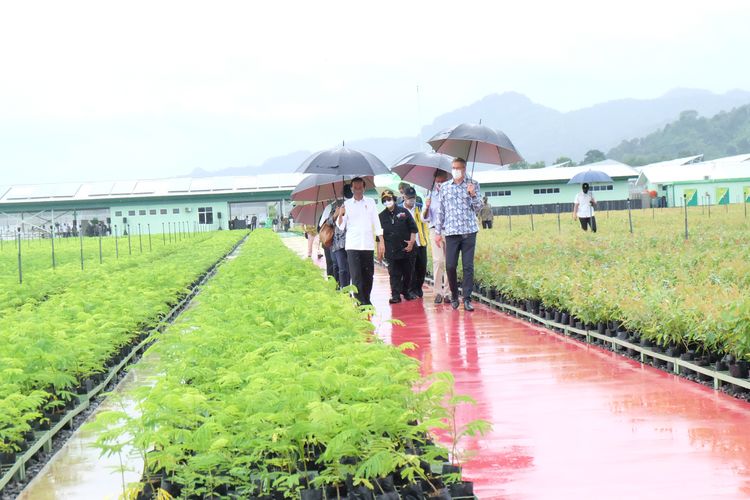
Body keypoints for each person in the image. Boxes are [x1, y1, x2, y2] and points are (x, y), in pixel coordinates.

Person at [434, 157, 482, 312]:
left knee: (468, 266)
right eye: (453, 167)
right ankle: (454, 294)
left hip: (469, 231)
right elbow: (441, 211)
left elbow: (479, 208)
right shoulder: (445, 187)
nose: (455, 170)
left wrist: (473, 194)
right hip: (452, 232)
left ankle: (467, 298)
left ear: (464, 169)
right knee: (450, 265)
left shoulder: (473, 184)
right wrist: (437, 232)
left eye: (458, 168)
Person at [336, 177, 385, 306]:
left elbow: (377, 222)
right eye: (355, 187)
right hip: (353, 245)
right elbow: (340, 226)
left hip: (367, 245)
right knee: (356, 276)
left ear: (364, 188)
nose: (358, 190)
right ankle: (360, 302)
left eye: (360, 187)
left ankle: (366, 299)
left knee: (368, 276)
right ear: (351, 189)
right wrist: (340, 214)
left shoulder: (370, 202)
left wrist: (381, 241)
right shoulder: (346, 205)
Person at [378, 189, 417, 304]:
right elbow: (379, 235)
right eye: (385, 200)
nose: (387, 201)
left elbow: (413, 228)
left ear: (394, 199)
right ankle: (395, 295)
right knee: (394, 274)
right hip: (391, 250)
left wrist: (412, 242)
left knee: (408, 273)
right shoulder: (381, 216)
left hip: (406, 249)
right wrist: (379, 251)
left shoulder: (403, 212)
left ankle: (406, 292)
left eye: (389, 199)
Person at [423, 170, 450, 304]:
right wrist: (427, 207)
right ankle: (438, 292)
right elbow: (425, 218)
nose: (440, 184)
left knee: (450, 262)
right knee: (438, 261)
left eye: (442, 181)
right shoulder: (430, 195)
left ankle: (448, 293)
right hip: (435, 231)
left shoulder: (451, 194)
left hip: (449, 231)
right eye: (438, 182)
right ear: (434, 181)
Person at [402, 186, 429, 298]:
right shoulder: (400, 210)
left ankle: (418, 288)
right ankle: (411, 290)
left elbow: (425, 219)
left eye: (413, 198)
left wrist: (427, 207)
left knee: (422, 267)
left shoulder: (420, 207)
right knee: (410, 269)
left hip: (420, 242)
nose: (411, 200)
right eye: (409, 198)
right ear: (404, 197)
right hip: (408, 243)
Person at [328, 184, 353, 289]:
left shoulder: (354, 204)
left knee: (351, 268)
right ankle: (345, 290)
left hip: (352, 241)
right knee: (342, 268)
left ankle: (349, 287)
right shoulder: (336, 205)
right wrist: (336, 214)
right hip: (338, 243)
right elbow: (329, 223)